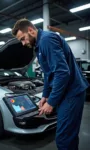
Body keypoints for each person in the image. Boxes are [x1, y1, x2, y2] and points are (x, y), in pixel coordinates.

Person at [12, 18, 89, 150]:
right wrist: (45, 96)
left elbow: (62, 73)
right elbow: (49, 74)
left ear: (30, 30)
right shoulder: (39, 46)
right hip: (66, 92)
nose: (23, 43)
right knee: (68, 135)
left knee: (64, 138)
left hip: (71, 93)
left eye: (23, 38)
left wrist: (51, 102)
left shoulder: (47, 40)